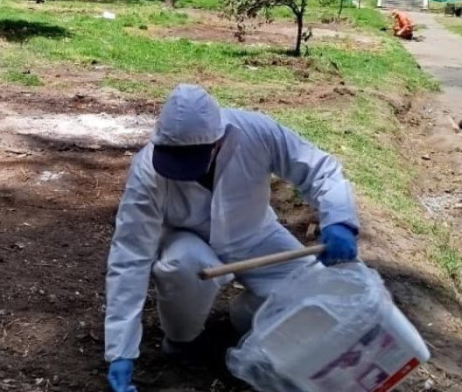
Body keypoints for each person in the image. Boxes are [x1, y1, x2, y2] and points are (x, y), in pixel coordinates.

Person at [104, 84, 360, 392]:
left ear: (218, 142)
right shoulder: (147, 171)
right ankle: (182, 339)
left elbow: (319, 168)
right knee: (183, 264)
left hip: (255, 235)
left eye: (191, 160)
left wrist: (339, 219)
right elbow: (130, 256)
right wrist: (120, 350)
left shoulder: (256, 132)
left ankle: (243, 317)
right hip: (188, 241)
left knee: (313, 300)